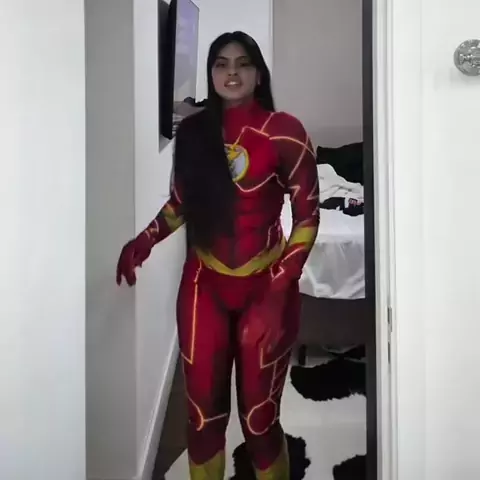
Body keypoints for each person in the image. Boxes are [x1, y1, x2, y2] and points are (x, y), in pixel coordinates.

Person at [116, 31, 319, 480]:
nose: (232, 72)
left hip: (267, 287)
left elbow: (307, 217)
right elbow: (180, 204)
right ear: (210, 74)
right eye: (221, 63)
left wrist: (280, 288)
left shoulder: (286, 132)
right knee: (203, 420)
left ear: (259, 73)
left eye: (243, 63)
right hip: (203, 285)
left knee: (259, 422)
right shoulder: (192, 133)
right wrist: (144, 241)